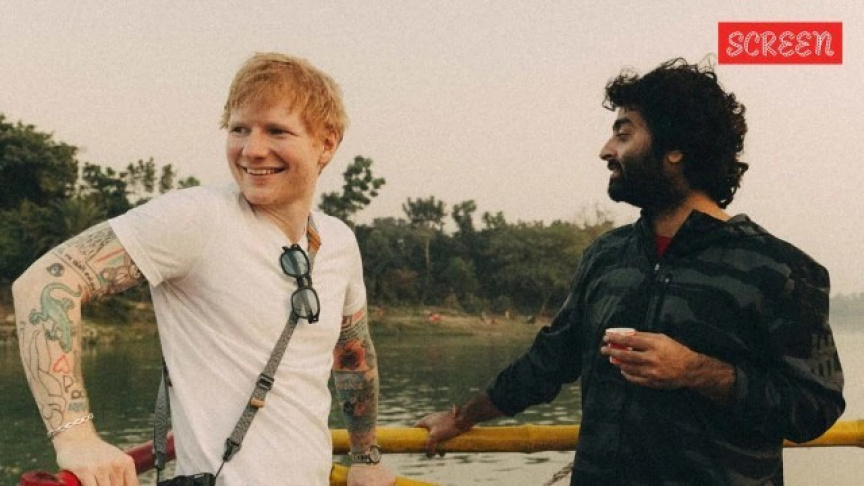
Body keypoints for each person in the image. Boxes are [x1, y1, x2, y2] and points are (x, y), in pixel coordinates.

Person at [416, 58, 845, 485]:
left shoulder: (778, 269)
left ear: (675, 149)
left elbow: (814, 409)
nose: (606, 150)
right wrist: (463, 417)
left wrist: (697, 370)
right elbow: (547, 363)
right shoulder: (607, 256)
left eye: (624, 134)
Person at [13, 52, 395, 486]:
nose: (252, 150)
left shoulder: (338, 240)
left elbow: (352, 354)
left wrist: (365, 457)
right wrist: (76, 438)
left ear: (326, 143)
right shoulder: (197, 218)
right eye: (239, 129)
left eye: (276, 131)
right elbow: (45, 282)